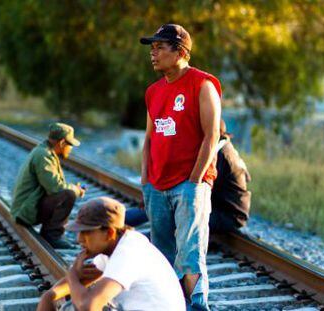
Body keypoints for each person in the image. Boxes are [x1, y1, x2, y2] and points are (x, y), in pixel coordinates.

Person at [140, 24, 222, 310]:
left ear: (181, 51)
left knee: (189, 254)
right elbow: (149, 138)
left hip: (189, 185)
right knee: (161, 256)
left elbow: (212, 136)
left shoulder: (203, 84)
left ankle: (198, 306)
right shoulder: (153, 92)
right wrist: (145, 181)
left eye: (160, 47)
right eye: (152, 48)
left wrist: (195, 181)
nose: (154, 53)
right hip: (157, 185)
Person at [37, 197, 186, 311]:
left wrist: (72, 276)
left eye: (86, 232)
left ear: (109, 232)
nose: (79, 239)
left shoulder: (128, 253)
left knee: (80, 302)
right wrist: (49, 295)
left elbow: (89, 306)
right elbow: (84, 279)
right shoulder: (113, 247)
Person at [125, 120, 251, 234]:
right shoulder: (221, 148)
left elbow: (197, 190)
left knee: (171, 217)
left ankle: (130, 241)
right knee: (160, 204)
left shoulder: (220, 156)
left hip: (228, 216)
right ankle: (120, 223)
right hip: (217, 206)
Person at [11, 123, 85, 249]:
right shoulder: (44, 155)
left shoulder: (44, 151)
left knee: (67, 192)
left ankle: (50, 234)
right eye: (70, 145)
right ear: (62, 143)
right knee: (68, 194)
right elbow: (56, 188)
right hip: (24, 211)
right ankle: (52, 236)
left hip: (27, 206)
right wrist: (77, 190)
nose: (71, 149)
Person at [209, 120, 251, 234]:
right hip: (232, 212)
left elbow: (207, 186)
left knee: (185, 214)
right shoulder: (227, 149)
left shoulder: (221, 154)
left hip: (230, 216)